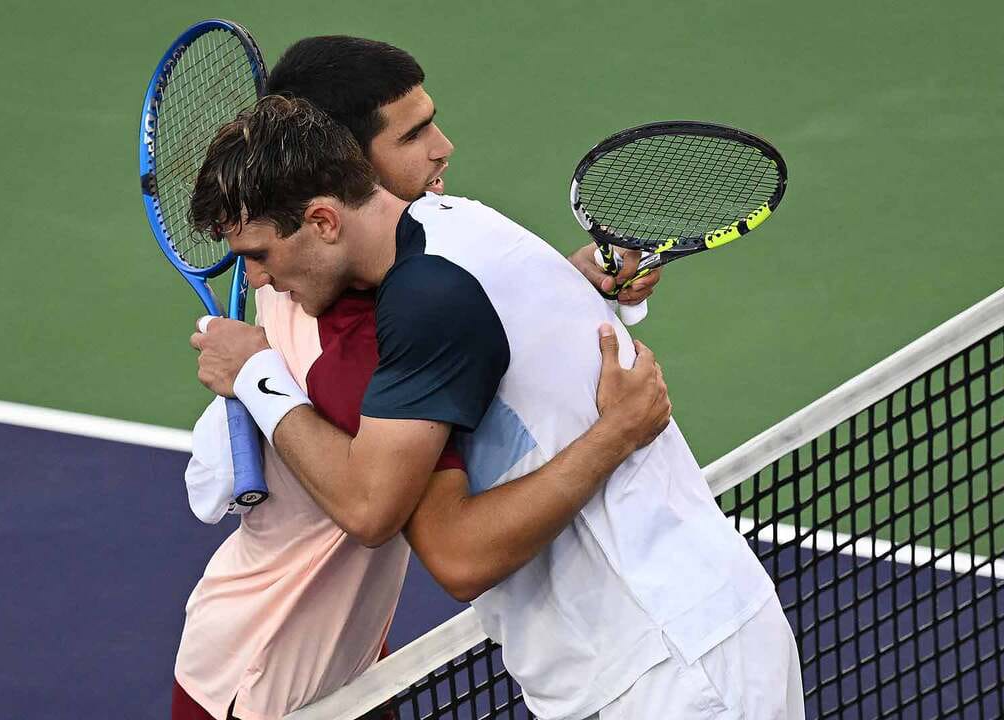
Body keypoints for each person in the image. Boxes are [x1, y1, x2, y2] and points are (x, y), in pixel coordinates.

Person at [188, 96, 804, 720]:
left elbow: (447, 552)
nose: (259, 281)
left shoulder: (425, 303)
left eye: (260, 255)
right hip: (682, 638)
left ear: (323, 221)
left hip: (666, 669)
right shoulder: (460, 221)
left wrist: (256, 378)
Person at [171, 38, 663, 720]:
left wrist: (576, 289)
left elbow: (461, 323)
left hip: (350, 671)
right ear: (343, 169)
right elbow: (396, 517)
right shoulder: (342, 325)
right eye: (412, 134)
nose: (442, 148)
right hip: (260, 686)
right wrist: (620, 431)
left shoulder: (347, 273)